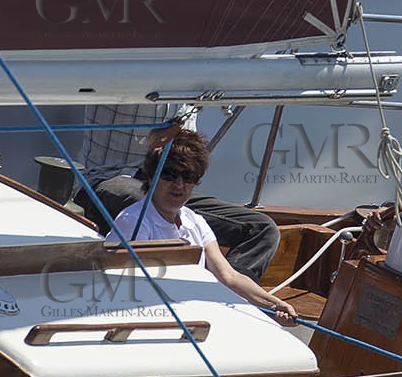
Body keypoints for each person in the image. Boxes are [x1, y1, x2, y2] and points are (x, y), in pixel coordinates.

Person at [103, 126, 298, 325]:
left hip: (194, 317)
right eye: (170, 174)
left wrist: (272, 304)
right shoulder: (133, 221)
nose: (179, 184)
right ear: (152, 176)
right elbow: (124, 287)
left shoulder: (194, 220)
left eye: (188, 176)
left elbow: (228, 276)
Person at [80, 103, 280, 283]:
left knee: (262, 228)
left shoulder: (197, 73)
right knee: (147, 208)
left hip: (173, 181)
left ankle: (220, 298)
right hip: (111, 177)